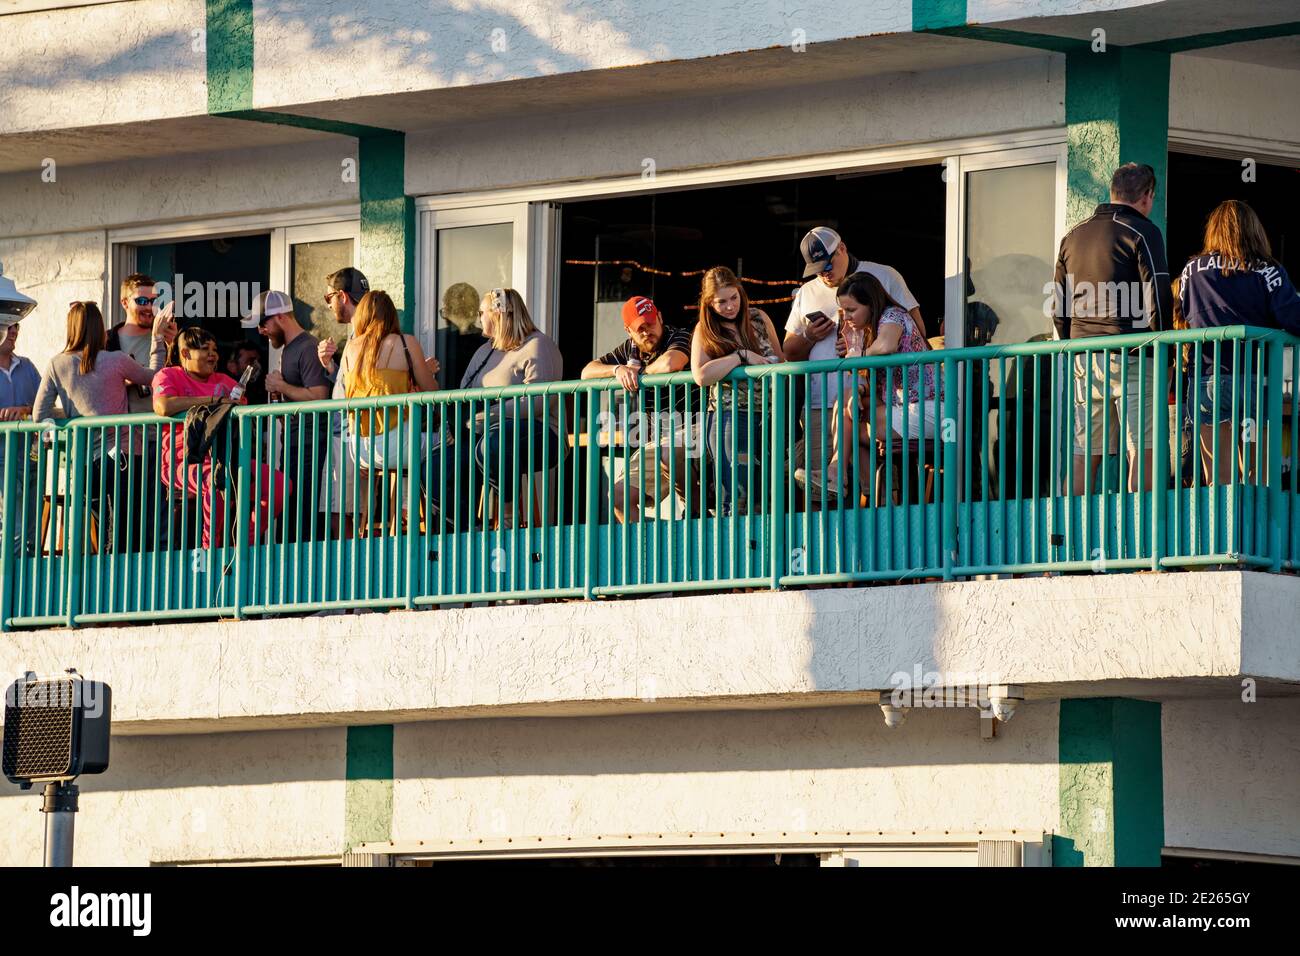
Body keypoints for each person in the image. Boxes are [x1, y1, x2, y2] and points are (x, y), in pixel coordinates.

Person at [1052, 162, 1172, 494]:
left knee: (1082, 454)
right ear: (1148, 196)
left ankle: (1064, 536)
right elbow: (1158, 299)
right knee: (1141, 452)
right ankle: (1140, 540)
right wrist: (1167, 356)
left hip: (1084, 360)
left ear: (1111, 191)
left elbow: (1059, 309)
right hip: (1133, 354)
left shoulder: (1072, 236)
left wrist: (1073, 347)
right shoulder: (1144, 232)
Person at [782, 227, 922, 498]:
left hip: (875, 398)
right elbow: (789, 351)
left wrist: (859, 350)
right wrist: (811, 336)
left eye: (828, 264)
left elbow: (914, 331)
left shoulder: (883, 275)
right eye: (817, 268)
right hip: (821, 403)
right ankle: (831, 540)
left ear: (843, 248)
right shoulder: (807, 292)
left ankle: (885, 532)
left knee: (879, 487)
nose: (825, 272)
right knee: (821, 491)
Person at [1178, 199, 1300, 484]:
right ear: (1254, 231)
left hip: (1207, 379)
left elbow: (1183, 313)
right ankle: (1258, 529)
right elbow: (1293, 318)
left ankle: (1219, 528)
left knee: (1216, 476)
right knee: (1258, 473)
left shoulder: (1192, 270)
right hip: (1255, 383)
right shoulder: (1267, 270)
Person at [31, 302, 169, 549]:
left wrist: (76, 413)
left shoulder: (56, 364)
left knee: (102, 529)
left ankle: (104, 581)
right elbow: (155, 378)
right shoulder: (116, 360)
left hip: (85, 463)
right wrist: (158, 339)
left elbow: (39, 415)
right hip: (124, 458)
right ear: (99, 329)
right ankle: (127, 581)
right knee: (128, 531)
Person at [152, 326, 286, 548]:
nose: (213, 355)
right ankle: (209, 550)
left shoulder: (223, 379)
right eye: (205, 349)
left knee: (279, 484)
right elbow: (163, 405)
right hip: (182, 461)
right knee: (217, 481)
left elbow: (239, 406)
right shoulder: (168, 375)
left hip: (226, 458)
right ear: (185, 353)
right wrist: (212, 400)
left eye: (214, 349)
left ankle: (243, 545)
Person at [450, 288, 564, 527]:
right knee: (443, 462)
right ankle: (462, 532)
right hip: (484, 431)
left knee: (494, 443)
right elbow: (463, 390)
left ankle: (507, 517)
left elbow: (538, 401)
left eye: (482, 312)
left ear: (500, 313)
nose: (479, 317)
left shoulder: (538, 345)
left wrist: (487, 412)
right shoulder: (485, 350)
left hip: (541, 433)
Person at [581, 295, 692, 522]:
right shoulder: (630, 349)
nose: (646, 331)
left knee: (670, 452)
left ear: (660, 317)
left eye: (651, 323)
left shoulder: (679, 335)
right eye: (639, 328)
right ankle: (646, 552)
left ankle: (695, 512)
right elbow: (587, 372)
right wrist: (617, 370)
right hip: (657, 441)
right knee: (618, 498)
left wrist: (638, 373)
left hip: (697, 430)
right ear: (628, 331)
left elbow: (672, 362)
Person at [337, 290, 438, 535]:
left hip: (360, 450)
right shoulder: (405, 342)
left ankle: (403, 508)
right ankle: (432, 515)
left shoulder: (350, 348)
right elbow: (432, 391)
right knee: (445, 441)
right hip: (399, 446)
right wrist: (426, 371)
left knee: (410, 446)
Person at [691, 266, 783, 516]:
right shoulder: (705, 329)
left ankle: (764, 551)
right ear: (709, 303)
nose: (730, 306)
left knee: (768, 496)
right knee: (737, 497)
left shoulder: (759, 317)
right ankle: (733, 552)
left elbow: (782, 362)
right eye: (722, 301)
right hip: (730, 418)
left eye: (734, 297)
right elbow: (700, 375)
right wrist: (740, 356)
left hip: (769, 415)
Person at [106, 273, 179, 550]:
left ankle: (157, 581)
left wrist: (174, 347)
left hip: (156, 439)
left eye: (153, 300)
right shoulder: (107, 340)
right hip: (118, 443)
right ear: (125, 302)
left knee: (157, 521)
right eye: (142, 300)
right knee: (120, 521)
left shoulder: (167, 337)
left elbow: (176, 381)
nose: (149, 306)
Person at [254, 290, 330, 542]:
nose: (260, 331)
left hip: (310, 444)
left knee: (301, 521)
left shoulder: (307, 347)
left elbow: (319, 397)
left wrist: (282, 386)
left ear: (279, 317)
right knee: (292, 517)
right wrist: (279, 395)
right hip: (296, 442)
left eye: (262, 323)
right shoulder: (289, 349)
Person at [837, 273, 941, 456]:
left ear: (871, 303)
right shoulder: (873, 328)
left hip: (930, 408)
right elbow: (877, 383)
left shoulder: (893, 314)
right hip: (908, 405)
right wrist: (858, 391)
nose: (846, 317)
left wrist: (859, 355)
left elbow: (887, 345)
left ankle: (837, 474)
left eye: (851, 310)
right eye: (843, 311)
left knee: (850, 425)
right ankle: (838, 474)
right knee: (847, 400)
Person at [317, 267, 368, 538]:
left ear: (343, 296)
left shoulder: (365, 331)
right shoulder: (359, 330)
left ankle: (350, 571)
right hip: (354, 430)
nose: (329, 306)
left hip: (352, 432)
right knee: (344, 509)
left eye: (329, 299)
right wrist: (330, 368)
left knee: (341, 511)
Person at [0, 320, 43, 552]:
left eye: (17, 325)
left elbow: (45, 406)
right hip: (1, 461)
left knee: (31, 533)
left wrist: (25, 410)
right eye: (8, 325)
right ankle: (9, 585)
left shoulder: (27, 366)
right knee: (13, 531)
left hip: (31, 460)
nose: (14, 330)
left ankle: (29, 585)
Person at [435, 281, 483, 390]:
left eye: (449, 311)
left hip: (447, 404)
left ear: (470, 313)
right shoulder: (437, 339)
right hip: (476, 403)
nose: (445, 316)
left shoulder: (438, 340)